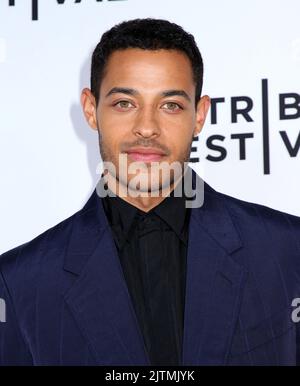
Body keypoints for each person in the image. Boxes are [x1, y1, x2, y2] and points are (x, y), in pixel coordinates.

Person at [1, 18, 300, 366]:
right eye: (125, 103)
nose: (146, 128)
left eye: (170, 105)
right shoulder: (20, 284)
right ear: (90, 110)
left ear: (200, 115)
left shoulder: (288, 251)